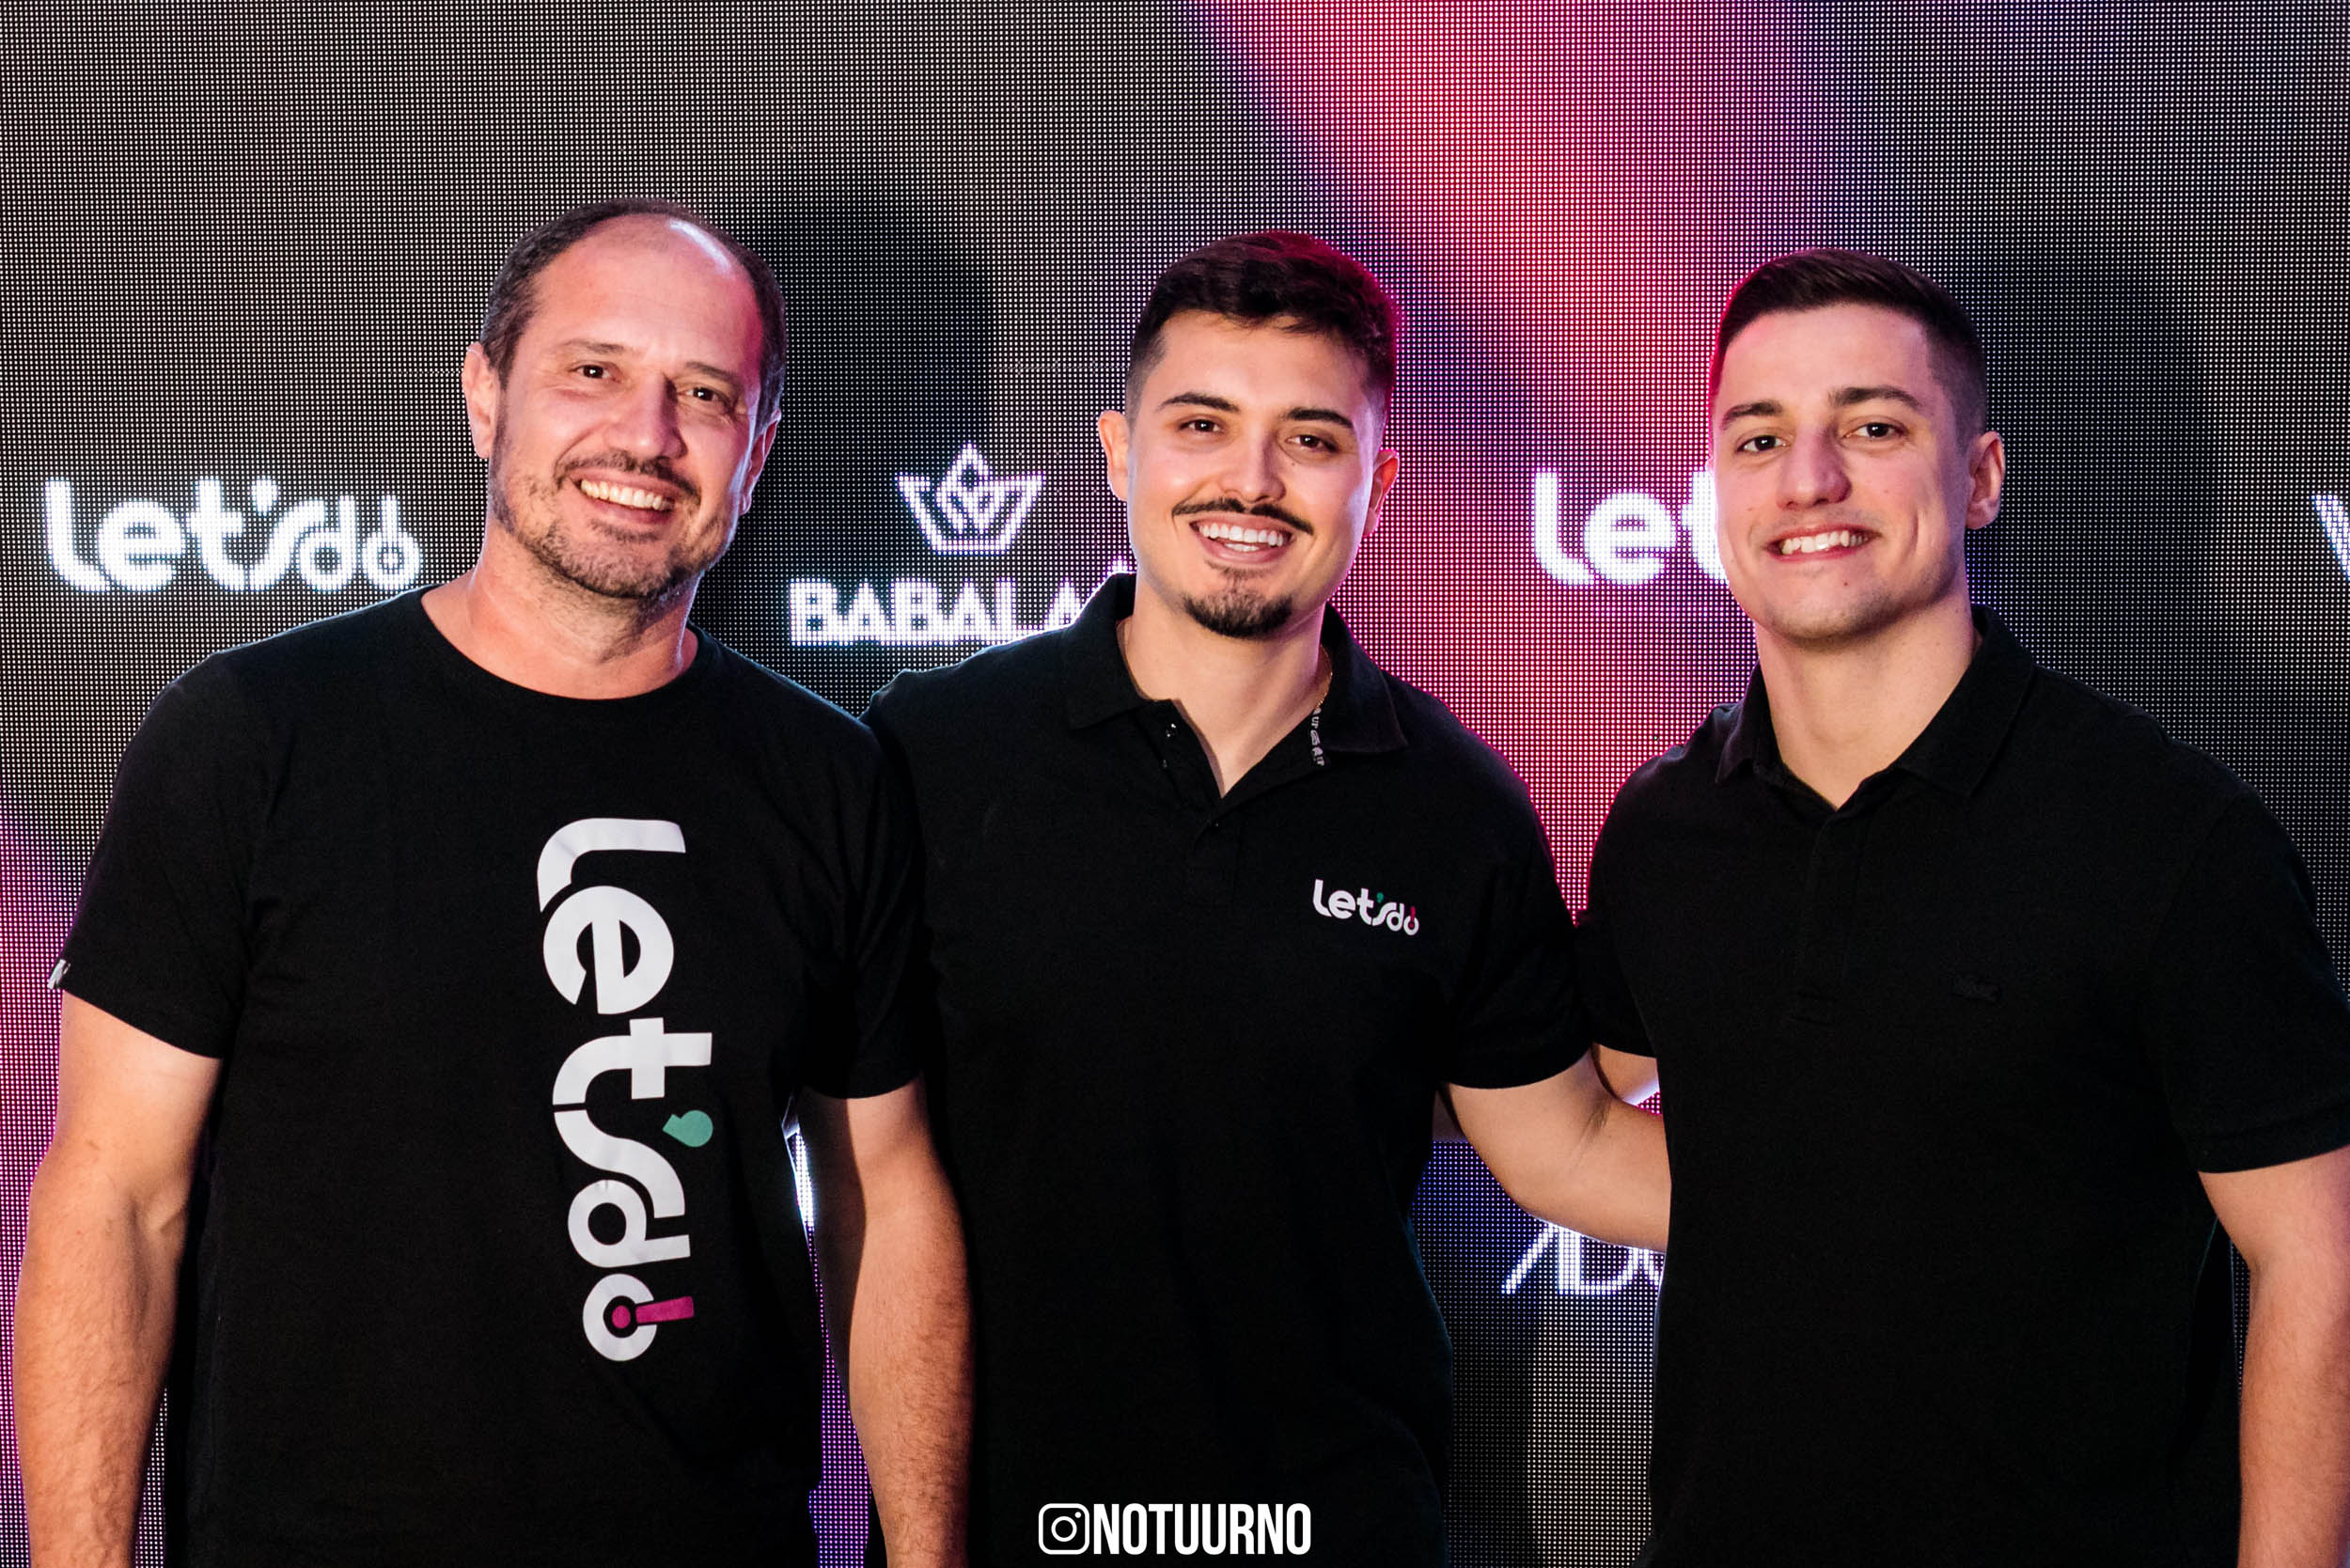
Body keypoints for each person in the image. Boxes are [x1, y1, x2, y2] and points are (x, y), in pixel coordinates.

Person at [16, 198, 971, 1568]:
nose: (646, 435)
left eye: (704, 394)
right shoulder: (254, 736)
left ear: (757, 454)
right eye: (593, 369)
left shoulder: (832, 779)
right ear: (486, 396)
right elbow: (115, 1196)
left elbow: (884, 1192)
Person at [865, 230, 1668, 1566]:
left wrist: (1907, 1185)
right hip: (1011, 1527)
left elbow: (1567, 1148)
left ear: (1378, 482)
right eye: (1203, 424)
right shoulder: (932, 755)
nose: (1251, 480)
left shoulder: (1455, 805)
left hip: (1341, 1526)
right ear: (1119, 452)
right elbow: (861, 1166)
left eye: (1311, 438)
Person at [1576, 248, 2350, 1565]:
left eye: (1873, 427)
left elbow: (2317, 1266)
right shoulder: (1664, 831)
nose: (1809, 480)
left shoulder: (2167, 836)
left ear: (1980, 476)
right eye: (1759, 438)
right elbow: (1585, 1121)